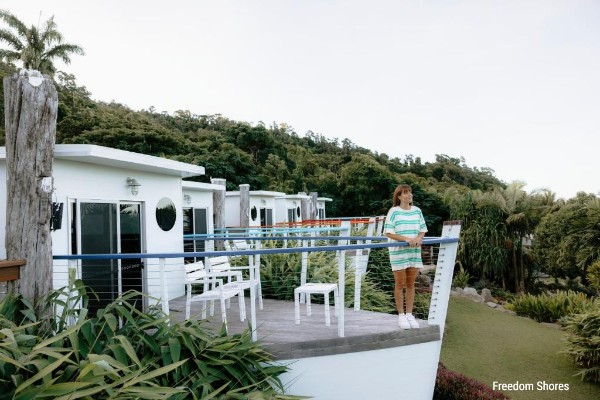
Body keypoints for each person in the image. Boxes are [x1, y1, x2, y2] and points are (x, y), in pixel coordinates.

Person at [384, 184, 428, 329]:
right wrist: (406, 239)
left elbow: (422, 230)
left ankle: (410, 314)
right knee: (400, 284)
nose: (410, 195)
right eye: (406, 193)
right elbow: (388, 232)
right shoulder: (394, 212)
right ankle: (401, 316)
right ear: (399, 196)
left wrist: (418, 238)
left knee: (410, 284)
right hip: (398, 252)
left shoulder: (417, 211)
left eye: (410, 192)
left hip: (414, 252)